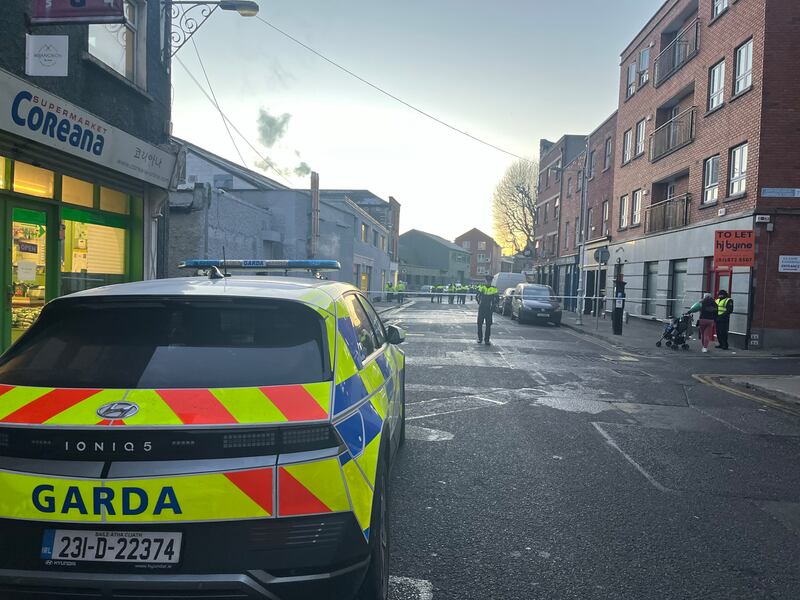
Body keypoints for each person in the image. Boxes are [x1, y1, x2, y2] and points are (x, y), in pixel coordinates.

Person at [476, 276, 499, 345]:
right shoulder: (482, 287)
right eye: (487, 281)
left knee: (488, 325)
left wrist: (493, 305)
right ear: (485, 281)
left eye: (490, 281)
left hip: (489, 309)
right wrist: (479, 302)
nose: (488, 282)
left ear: (491, 281)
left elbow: (497, 299)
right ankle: (480, 338)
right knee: (479, 323)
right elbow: (477, 296)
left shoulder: (494, 289)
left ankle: (487, 340)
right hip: (482, 308)